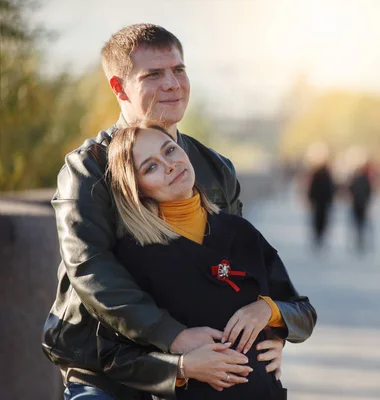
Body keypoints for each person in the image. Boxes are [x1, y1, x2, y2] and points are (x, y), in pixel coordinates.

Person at [42, 24, 307, 400]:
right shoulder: (87, 169)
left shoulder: (214, 167)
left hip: (207, 365)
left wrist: (270, 332)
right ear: (119, 88)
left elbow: (239, 270)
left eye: (178, 70)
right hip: (110, 366)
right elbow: (91, 268)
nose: (172, 83)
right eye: (153, 74)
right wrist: (173, 337)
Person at [94, 124, 316, 399]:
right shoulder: (136, 254)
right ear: (136, 190)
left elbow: (303, 313)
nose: (170, 165)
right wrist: (182, 368)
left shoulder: (240, 231)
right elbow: (115, 358)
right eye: (151, 167)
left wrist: (268, 312)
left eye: (170, 150)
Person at [307, 161, 336, 250]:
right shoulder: (325, 177)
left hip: (320, 203)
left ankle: (319, 238)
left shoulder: (322, 176)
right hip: (321, 203)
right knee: (320, 222)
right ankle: (319, 238)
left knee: (319, 222)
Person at [348, 162, 373, 252]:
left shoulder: (356, 179)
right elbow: (369, 191)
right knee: (360, 223)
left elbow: (351, 189)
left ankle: (359, 240)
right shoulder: (365, 180)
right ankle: (359, 240)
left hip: (357, 203)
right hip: (361, 204)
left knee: (358, 223)